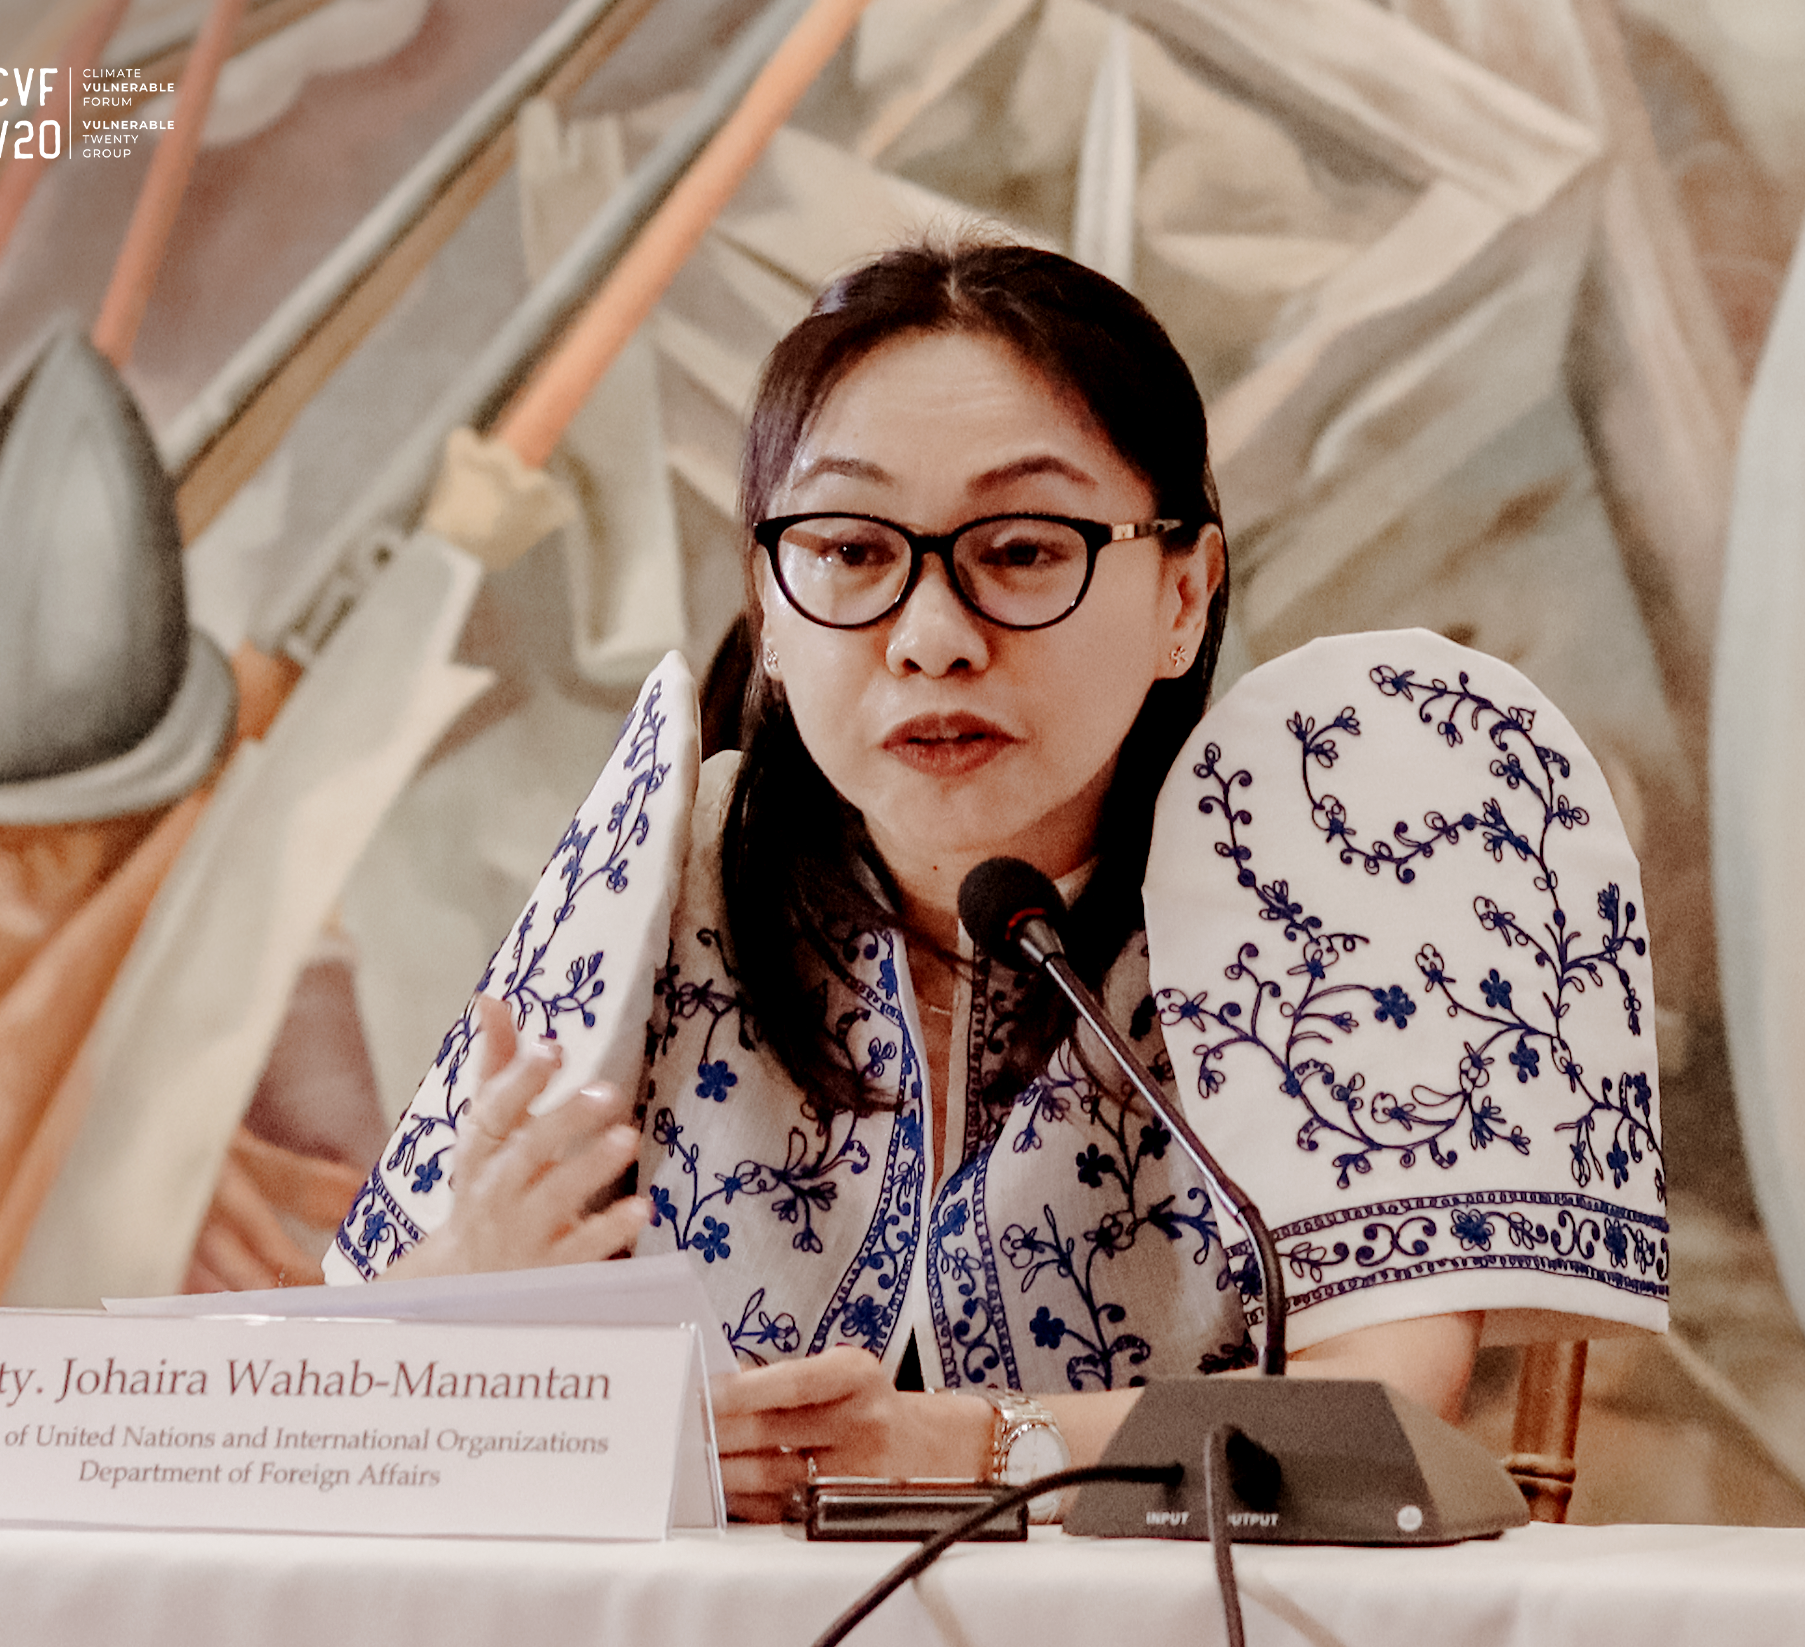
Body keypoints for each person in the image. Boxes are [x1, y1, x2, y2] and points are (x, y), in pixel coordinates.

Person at [328, 242, 1510, 1519]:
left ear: (1184, 593)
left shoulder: (1320, 884)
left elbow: (1383, 1410)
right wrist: (464, 1294)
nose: (933, 638)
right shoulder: (661, 867)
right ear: (771, 610)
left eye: (1023, 550)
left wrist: (970, 1444)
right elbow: (341, 1408)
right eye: (848, 548)